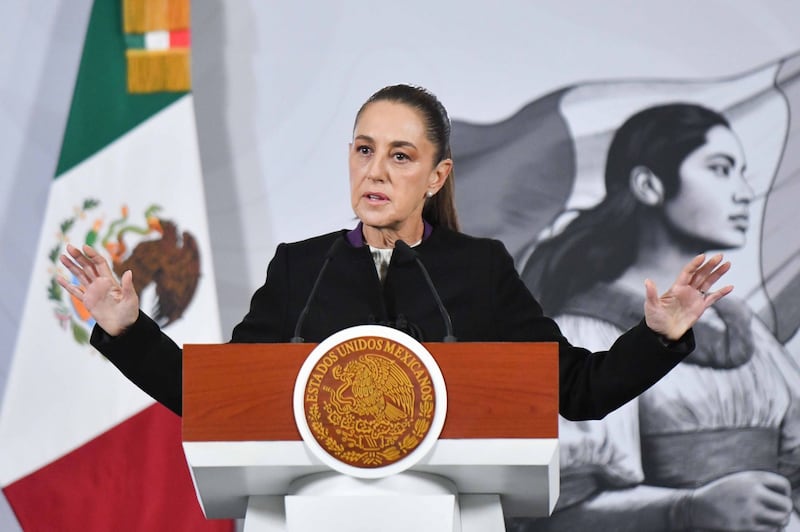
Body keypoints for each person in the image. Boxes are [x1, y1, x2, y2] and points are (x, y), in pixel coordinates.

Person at [57, 84, 730, 425]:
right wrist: (126, 328)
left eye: (400, 155)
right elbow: (225, 402)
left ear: (436, 177)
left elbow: (577, 391)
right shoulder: (301, 267)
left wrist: (659, 337)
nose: (375, 171)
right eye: (363, 149)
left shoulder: (480, 268)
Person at [512, 103, 798, 531]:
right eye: (720, 169)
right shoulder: (586, 332)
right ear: (649, 185)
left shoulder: (745, 329)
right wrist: (687, 509)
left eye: (742, 172)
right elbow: (553, 511)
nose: (743, 192)